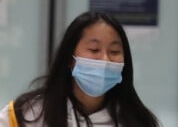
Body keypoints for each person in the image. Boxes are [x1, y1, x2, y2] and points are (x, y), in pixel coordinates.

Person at [0, 11, 160, 127]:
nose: (105, 60)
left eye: (114, 52)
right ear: (70, 59)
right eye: (94, 49)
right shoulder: (27, 115)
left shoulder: (137, 121)